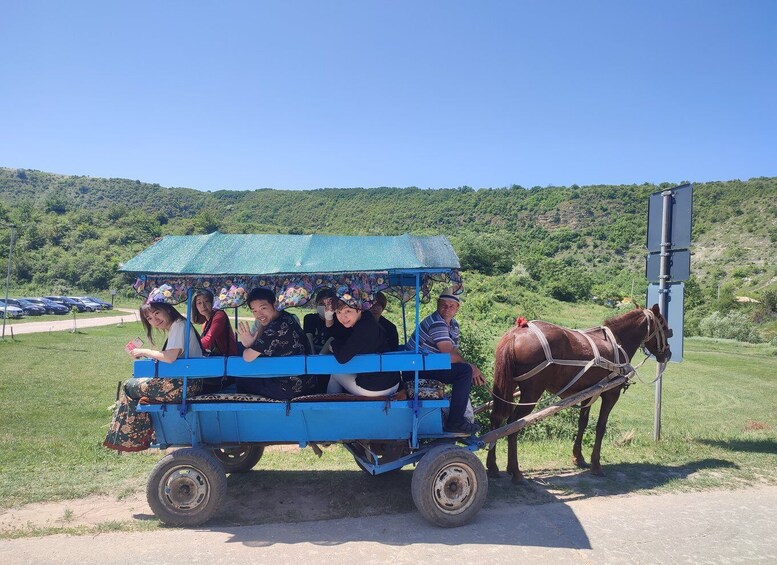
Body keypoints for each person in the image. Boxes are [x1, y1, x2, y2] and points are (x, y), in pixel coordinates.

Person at [104, 294, 203, 452]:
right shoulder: (177, 326)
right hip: (188, 381)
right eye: (149, 318)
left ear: (168, 310)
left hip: (184, 385)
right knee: (138, 383)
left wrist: (145, 351)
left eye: (157, 313)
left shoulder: (179, 325)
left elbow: (170, 357)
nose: (154, 320)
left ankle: (131, 438)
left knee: (129, 386)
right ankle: (139, 434)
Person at [405, 289, 485, 434]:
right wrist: (471, 367)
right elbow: (448, 354)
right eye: (443, 305)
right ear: (437, 304)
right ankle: (455, 421)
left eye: (451, 306)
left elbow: (454, 353)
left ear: (457, 308)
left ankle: (455, 416)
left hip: (428, 366)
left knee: (464, 370)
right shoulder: (437, 323)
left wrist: (469, 367)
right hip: (415, 370)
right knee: (465, 372)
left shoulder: (453, 325)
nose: (447, 309)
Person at [236, 287, 318, 399]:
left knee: (241, 379)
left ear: (274, 304)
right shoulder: (286, 316)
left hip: (290, 388)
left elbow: (247, 357)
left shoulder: (275, 329)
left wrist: (248, 345)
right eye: (254, 311)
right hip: (307, 382)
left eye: (263, 308)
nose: (259, 315)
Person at [324, 292, 400, 397]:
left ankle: (330, 408)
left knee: (335, 372)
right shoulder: (365, 319)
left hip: (378, 387)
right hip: (391, 381)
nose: (343, 317)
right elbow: (337, 333)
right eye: (338, 312)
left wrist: (333, 345)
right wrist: (328, 316)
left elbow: (342, 357)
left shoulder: (364, 328)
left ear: (358, 309)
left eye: (348, 311)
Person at [192, 289, 238, 356]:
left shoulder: (219, 316)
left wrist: (190, 346)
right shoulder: (205, 324)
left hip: (228, 359)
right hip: (217, 358)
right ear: (195, 307)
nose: (203, 306)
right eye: (199, 303)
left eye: (206, 301)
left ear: (212, 302)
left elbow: (208, 340)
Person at [303, 287, 342, 353]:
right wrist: (312, 356)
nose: (325, 307)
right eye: (321, 304)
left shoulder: (339, 319)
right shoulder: (309, 318)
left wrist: (321, 356)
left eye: (328, 304)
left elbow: (333, 338)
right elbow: (308, 336)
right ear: (316, 304)